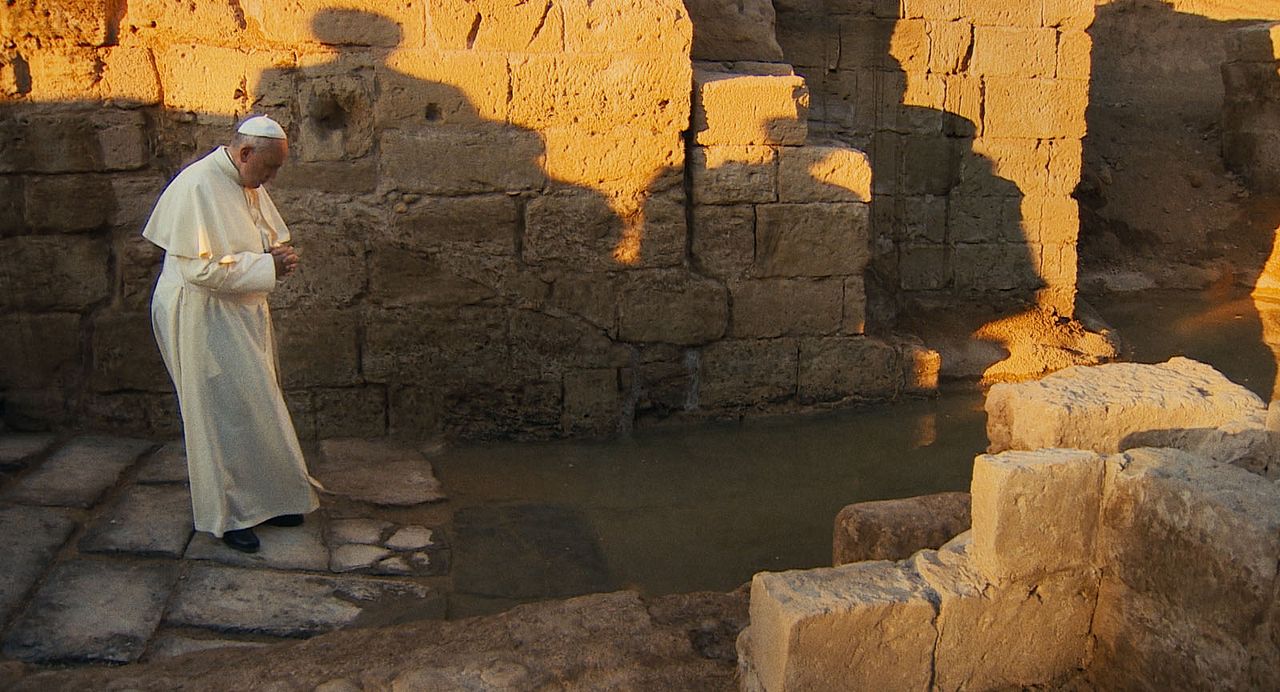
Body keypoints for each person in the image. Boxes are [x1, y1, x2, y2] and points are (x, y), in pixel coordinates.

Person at [143, 115, 319, 553]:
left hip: (236, 313)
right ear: (245, 154)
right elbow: (200, 268)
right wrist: (267, 267)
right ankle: (228, 515)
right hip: (199, 316)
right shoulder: (197, 186)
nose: (271, 179)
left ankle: (271, 499)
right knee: (218, 414)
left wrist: (271, 252)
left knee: (257, 402)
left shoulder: (245, 181)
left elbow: (248, 238)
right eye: (269, 168)